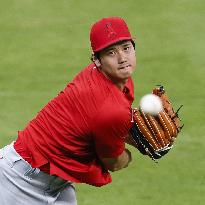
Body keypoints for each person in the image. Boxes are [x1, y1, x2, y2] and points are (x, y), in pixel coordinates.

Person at [0, 16, 136, 205]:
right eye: (111, 53)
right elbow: (113, 162)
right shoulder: (109, 106)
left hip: (55, 183)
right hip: (16, 182)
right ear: (96, 60)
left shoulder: (113, 80)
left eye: (126, 48)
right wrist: (130, 155)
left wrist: (132, 134)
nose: (122, 59)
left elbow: (106, 126)